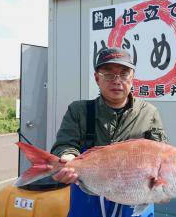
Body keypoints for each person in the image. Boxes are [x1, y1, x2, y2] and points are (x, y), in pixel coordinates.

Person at [50, 47, 168, 217]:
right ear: (97, 78)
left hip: (135, 203)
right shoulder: (79, 110)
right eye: (108, 74)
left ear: (132, 77)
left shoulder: (149, 113)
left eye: (123, 73)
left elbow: (160, 157)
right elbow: (65, 144)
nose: (117, 80)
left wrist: (166, 188)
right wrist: (68, 160)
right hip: (88, 198)